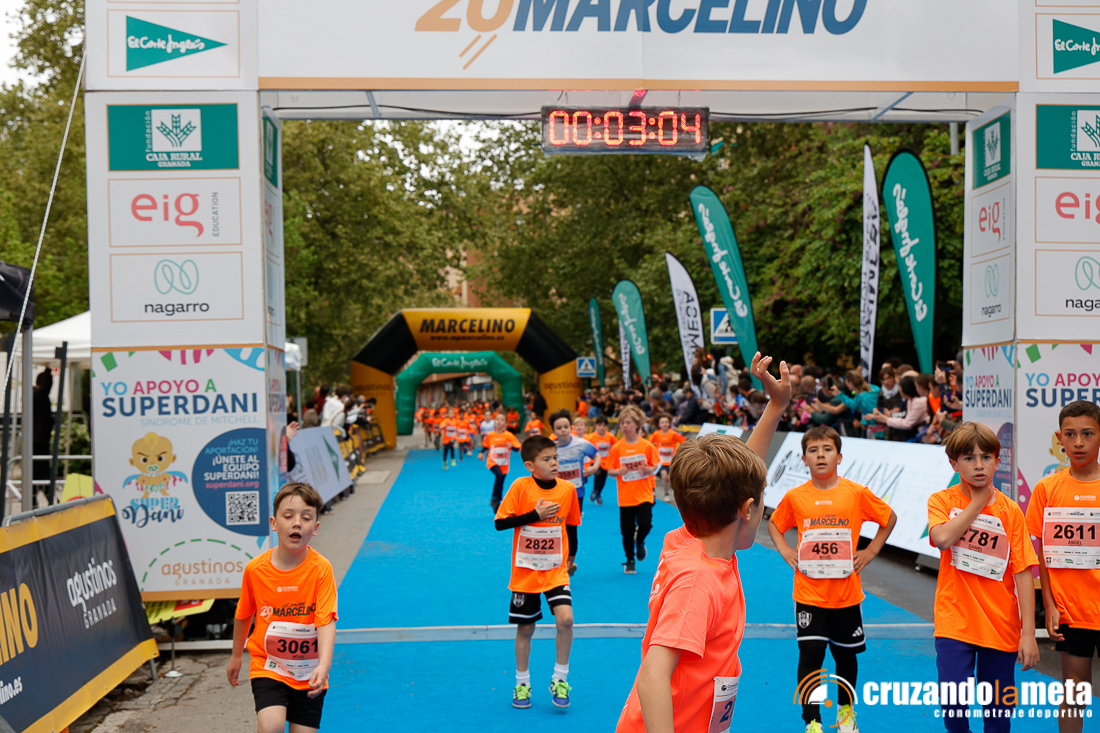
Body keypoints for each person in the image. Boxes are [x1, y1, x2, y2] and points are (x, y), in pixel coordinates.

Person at [615, 352, 791, 733]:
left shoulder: (689, 536)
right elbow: (653, 675)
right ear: (747, 509)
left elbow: (742, 475)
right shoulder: (698, 580)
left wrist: (776, 407)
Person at [767, 426, 897, 733]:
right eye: (813, 451)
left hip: (846, 596)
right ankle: (812, 721)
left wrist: (871, 551)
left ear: (839, 457)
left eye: (827, 449)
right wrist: (785, 549)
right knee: (811, 657)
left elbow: (888, 517)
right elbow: (774, 523)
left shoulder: (855, 493)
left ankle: (845, 716)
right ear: (804, 459)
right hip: (809, 594)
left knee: (846, 657)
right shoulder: (796, 497)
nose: (820, 455)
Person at [927, 423, 1039, 732]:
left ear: (997, 460)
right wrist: (977, 503)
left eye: (986, 457)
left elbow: (1022, 571)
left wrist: (1028, 633)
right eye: (969, 458)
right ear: (954, 464)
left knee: (998, 712)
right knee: (952, 704)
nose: (979, 465)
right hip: (954, 621)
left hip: (1000, 625)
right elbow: (942, 539)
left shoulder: (1010, 511)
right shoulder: (941, 501)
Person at [227, 483, 338, 733]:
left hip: (308, 671)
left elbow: (326, 621)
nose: (297, 523)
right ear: (274, 522)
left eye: (306, 518)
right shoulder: (255, 570)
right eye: (288, 516)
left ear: (315, 527)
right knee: (272, 726)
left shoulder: (321, 569)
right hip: (268, 666)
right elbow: (244, 614)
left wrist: (323, 666)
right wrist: (236, 656)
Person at [1024, 401, 1100, 732]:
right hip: (1072, 612)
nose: (1079, 443)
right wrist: (1050, 605)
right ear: (1060, 438)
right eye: (1070, 434)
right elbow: (1043, 555)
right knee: (1074, 694)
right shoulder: (1047, 489)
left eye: (1088, 434)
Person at [494, 435, 581, 710]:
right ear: (530, 466)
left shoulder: (567, 489)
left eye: (555, 457)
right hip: (526, 572)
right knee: (526, 628)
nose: (554, 463)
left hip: (556, 570)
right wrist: (535, 515)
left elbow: (571, 525)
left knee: (566, 620)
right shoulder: (521, 487)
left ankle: (560, 678)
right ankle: (522, 683)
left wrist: (573, 555)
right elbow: (500, 523)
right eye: (546, 459)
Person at [605, 405, 661, 574]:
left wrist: (649, 470)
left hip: (644, 493)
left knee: (645, 524)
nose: (625, 426)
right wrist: (618, 471)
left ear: (637, 425)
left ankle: (640, 540)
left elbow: (656, 465)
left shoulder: (647, 446)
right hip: (626, 496)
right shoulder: (617, 448)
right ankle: (630, 560)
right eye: (622, 423)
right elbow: (609, 470)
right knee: (626, 531)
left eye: (628, 422)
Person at [549, 410, 599, 575]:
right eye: (558, 428)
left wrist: (593, 468)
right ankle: (560, 562)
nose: (563, 430)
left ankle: (569, 561)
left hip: (577, 493)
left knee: (571, 528)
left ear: (570, 428)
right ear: (553, 430)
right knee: (557, 527)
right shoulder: (550, 448)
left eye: (565, 426)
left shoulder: (581, 443)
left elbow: (596, 455)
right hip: (556, 494)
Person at [479, 412, 523, 512]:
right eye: (497, 419)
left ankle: (497, 503)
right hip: (492, 462)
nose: (499, 421)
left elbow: (518, 448)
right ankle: (494, 497)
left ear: (506, 424)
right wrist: (481, 452)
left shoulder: (509, 435)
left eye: (502, 420)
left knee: (501, 482)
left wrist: (511, 447)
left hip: (504, 463)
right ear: (494, 422)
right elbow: (485, 446)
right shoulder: (490, 435)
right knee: (498, 475)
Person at [649, 414, 686, 500]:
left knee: (671, 478)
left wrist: (679, 451)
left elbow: (683, 440)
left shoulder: (673, 434)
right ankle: (666, 494)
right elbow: (648, 444)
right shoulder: (656, 434)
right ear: (659, 424)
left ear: (669, 424)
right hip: (661, 460)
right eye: (662, 422)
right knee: (664, 476)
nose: (664, 424)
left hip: (671, 460)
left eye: (666, 422)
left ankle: (677, 494)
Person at [584, 416, 618, 506]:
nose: (602, 428)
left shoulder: (610, 436)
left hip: (606, 462)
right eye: (600, 425)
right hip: (595, 461)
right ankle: (595, 490)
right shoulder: (591, 437)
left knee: (603, 480)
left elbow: (617, 444)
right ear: (596, 426)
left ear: (607, 427)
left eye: (604, 426)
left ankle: (598, 494)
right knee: (598, 475)